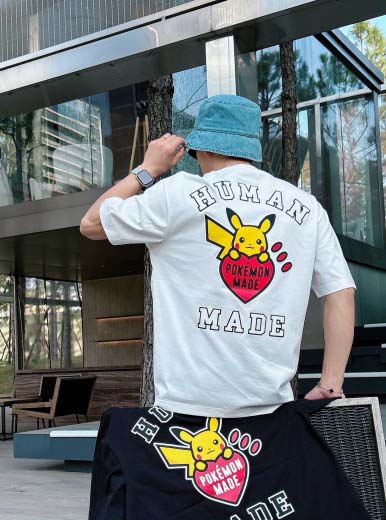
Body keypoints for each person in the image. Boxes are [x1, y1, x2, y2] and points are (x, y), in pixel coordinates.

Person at [80, 94, 356, 417]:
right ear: (251, 150)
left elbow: (91, 223)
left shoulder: (178, 194)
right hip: (272, 415)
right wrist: (330, 384)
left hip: (187, 413)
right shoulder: (307, 209)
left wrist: (147, 169)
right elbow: (340, 293)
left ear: (204, 149)